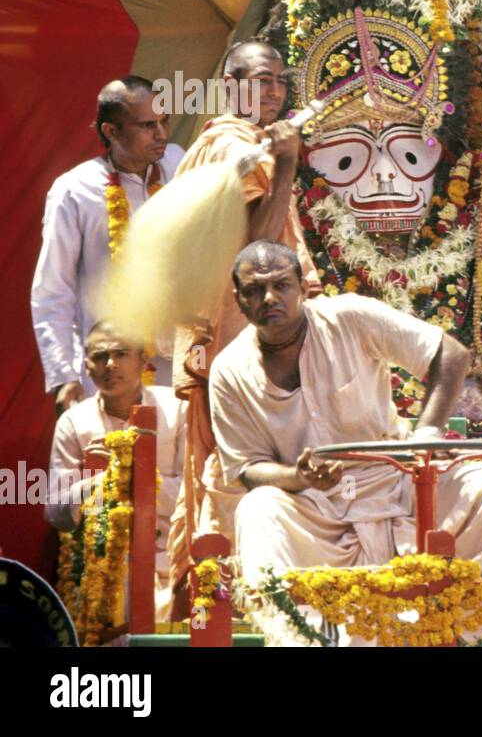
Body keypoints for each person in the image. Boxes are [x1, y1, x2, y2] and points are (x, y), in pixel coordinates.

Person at [210, 241, 482, 578]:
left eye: (282, 285)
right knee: (258, 510)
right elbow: (248, 467)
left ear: (303, 288)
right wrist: (298, 477)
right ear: (239, 300)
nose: (270, 298)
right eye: (255, 290)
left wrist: (426, 434)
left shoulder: (349, 316)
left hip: (397, 480)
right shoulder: (228, 369)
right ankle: (294, 629)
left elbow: (450, 355)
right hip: (315, 507)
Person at [167, 42, 321, 596]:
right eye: (260, 81)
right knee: (238, 459)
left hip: (245, 324)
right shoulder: (231, 145)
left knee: (249, 457)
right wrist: (285, 164)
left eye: (280, 81)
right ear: (229, 86)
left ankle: (260, 586)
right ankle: (224, 593)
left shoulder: (248, 144)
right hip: (238, 327)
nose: (273, 92)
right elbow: (256, 248)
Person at [32, 76, 184, 409]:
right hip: (111, 373)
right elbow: (52, 290)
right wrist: (64, 377)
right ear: (111, 132)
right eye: (147, 125)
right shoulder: (74, 190)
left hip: (180, 367)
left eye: (164, 121)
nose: (161, 134)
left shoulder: (178, 164)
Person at [46, 321, 185, 621]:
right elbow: (56, 512)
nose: (110, 365)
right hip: (103, 565)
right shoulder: (73, 423)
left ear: (142, 359)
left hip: (173, 557)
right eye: (100, 357)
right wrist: (100, 481)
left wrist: (132, 475)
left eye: (121, 354)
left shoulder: (177, 409)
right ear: (87, 366)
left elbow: (196, 493)